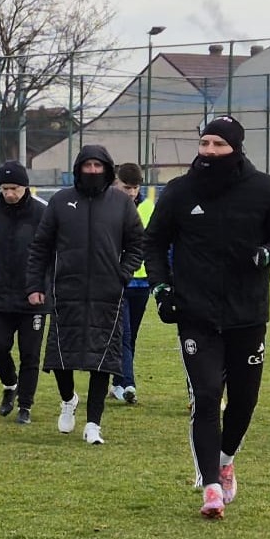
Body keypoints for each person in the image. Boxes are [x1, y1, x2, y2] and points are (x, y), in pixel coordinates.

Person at [143, 117, 270, 519]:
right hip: (195, 313)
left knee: (244, 399)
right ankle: (211, 487)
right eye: (205, 143)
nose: (210, 151)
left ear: (236, 148)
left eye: (219, 144)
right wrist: (161, 289)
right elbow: (155, 243)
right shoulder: (180, 191)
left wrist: (269, 254)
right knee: (208, 394)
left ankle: (226, 459)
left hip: (247, 313)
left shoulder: (263, 188)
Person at [25, 146, 144, 445]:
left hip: (107, 295)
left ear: (107, 167)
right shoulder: (61, 201)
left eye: (98, 165)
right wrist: (35, 286)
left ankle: (93, 425)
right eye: (87, 165)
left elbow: (137, 244)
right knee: (61, 359)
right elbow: (40, 246)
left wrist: (122, 273)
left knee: (101, 361)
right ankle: (68, 400)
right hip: (67, 291)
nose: (92, 170)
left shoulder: (121, 203)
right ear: (79, 167)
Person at [0, 161, 47, 424]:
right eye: (5, 188)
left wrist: (39, 285)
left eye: (14, 188)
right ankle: (10, 384)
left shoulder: (42, 213)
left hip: (34, 297)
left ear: (25, 186)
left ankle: (25, 406)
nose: (9, 193)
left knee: (30, 354)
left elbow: (49, 252)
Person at [113, 162, 155, 404]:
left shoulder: (149, 207)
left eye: (135, 187)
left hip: (142, 283)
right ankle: (127, 384)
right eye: (126, 187)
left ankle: (117, 382)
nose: (131, 192)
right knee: (124, 335)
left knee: (131, 336)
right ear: (115, 184)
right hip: (118, 281)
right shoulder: (108, 207)